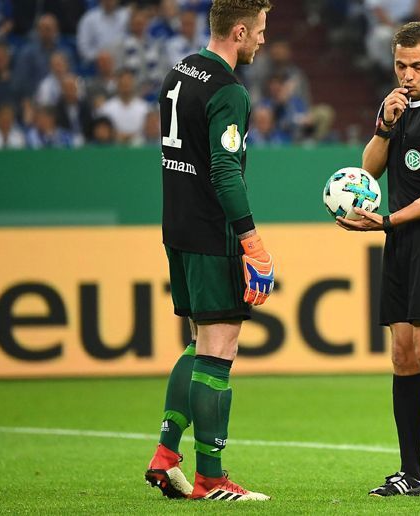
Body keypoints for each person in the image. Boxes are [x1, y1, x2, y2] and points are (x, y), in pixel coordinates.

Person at [144, 0, 274, 502]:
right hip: (211, 233)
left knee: (199, 343)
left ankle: (165, 453)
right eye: (260, 31)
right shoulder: (228, 90)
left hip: (176, 227)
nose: (263, 40)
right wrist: (251, 240)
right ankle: (212, 479)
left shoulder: (180, 71)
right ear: (238, 31)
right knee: (219, 351)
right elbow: (224, 171)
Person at [337, 21, 420, 497]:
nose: (409, 74)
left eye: (418, 65)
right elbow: (368, 170)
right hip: (400, 241)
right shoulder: (395, 104)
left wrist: (389, 221)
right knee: (402, 355)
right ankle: (410, 473)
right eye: (401, 65)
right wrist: (383, 125)